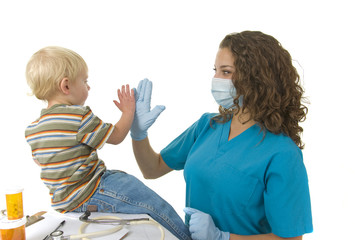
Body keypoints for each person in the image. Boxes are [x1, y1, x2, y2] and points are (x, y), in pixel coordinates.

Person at [131, 31, 313, 240]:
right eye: (215, 71)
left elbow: (291, 239)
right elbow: (152, 168)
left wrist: (223, 238)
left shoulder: (282, 154)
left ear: (257, 78)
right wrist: (138, 133)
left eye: (226, 72)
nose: (216, 79)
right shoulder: (208, 126)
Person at [24, 46, 191, 240]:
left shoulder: (33, 129)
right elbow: (117, 135)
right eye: (85, 81)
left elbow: (42, 161)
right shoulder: (78, 116)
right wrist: (128, 112)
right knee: (152, 204)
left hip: (64, 203)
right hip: (92, 189)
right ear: (66, 86)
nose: (89, 87)